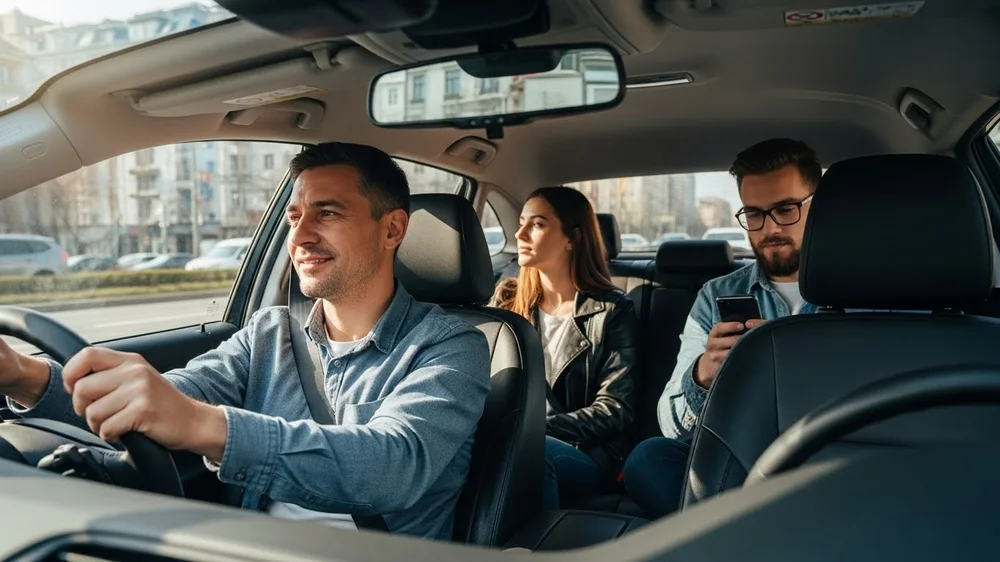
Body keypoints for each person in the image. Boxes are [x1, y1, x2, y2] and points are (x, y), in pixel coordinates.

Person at [0, 142, 492, 540]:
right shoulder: (269, 334)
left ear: (392, 229)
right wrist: (20, 374)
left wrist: (202, 425)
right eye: (295, 216)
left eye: (328, 213)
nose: (299, 236)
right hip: (249, 547)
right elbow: (164, 400)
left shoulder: (451, 346)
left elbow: (393, 466)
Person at [622, 138, 822, 518]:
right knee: (649, 459)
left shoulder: (866, 288)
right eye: (754, 214)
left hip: (831, 453)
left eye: (785, 209)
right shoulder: (718, 296)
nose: (769, 228)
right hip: (743, 463)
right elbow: (670, 424)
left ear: (820, 205)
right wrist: (703, 375)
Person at [492, 186, 638, 511]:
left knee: (532, 452)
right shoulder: (506, 301)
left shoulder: (612, 311)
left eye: (538, 224)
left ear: (571, 238)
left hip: (581, 452)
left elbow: (616, 408)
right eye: (521, 222)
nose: (520, 233)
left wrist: (535, 428)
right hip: (511, 441)